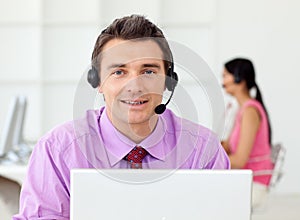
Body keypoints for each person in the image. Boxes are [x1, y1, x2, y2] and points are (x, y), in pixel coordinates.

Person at [13, 15, 229, 219]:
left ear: (168, 81)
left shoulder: (203, 151)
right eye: (119, 72)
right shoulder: (57, 150)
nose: (134, 87)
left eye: (149, 71)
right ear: (97, 81)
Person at [221, 57, 274, 208]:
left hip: (253, 182)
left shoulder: (250, 111)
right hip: (244, 179)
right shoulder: (241, 109)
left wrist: (208, 162)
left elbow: (239, 160)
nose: (223, 81)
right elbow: (228, 146)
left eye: (225, 76)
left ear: (238, 78)